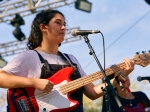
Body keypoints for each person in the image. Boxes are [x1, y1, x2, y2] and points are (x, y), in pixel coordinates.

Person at [0, 9, 134, 112]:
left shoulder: (72, 60)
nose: (64, 27)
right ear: (43, 27)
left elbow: (93, 93)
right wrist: (34, 82)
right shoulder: (30, 56)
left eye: (64, 24)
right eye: (58, 23)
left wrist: (123, 75)